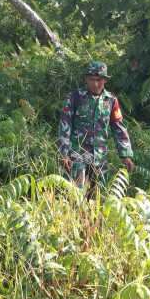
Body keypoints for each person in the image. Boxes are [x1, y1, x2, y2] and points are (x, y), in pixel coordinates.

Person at [57, 61, 134, 198]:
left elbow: (119, 128)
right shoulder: (74, 97)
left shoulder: (110, 100)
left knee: (98, 199)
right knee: (75, 196)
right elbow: (65, 126)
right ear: (86, 78)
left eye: (99, 80)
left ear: (105, 80)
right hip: (77, 156)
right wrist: (64, 152)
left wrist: (126, 155)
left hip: (100, 158)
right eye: (91, 79)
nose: (95, 83)